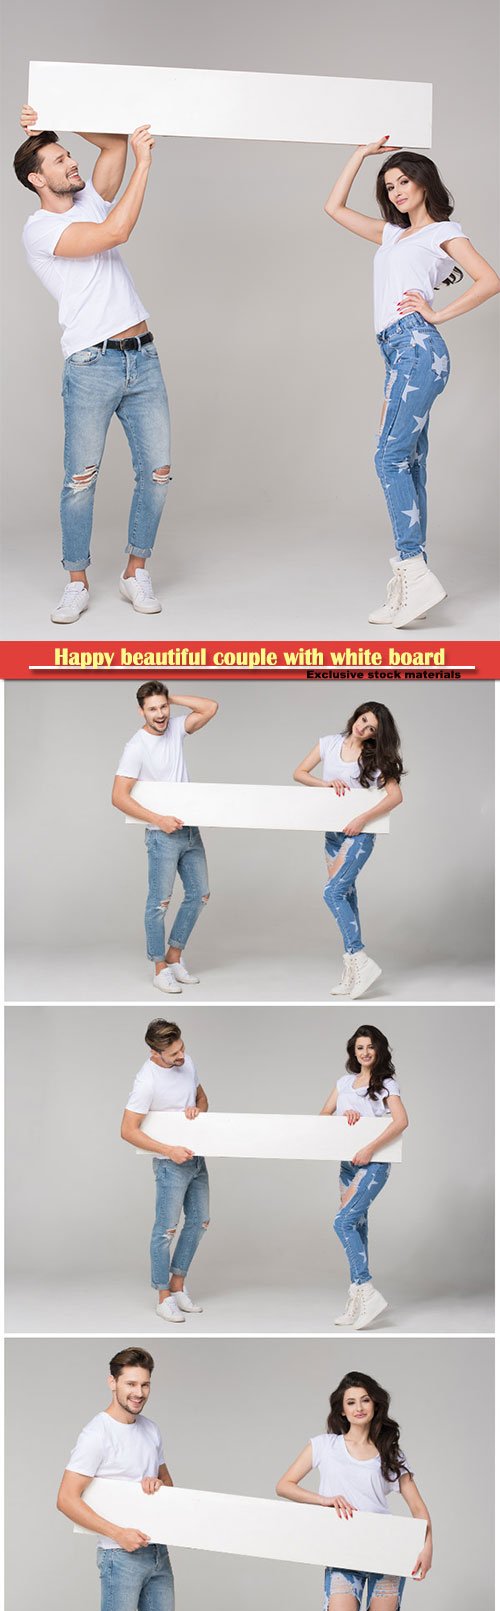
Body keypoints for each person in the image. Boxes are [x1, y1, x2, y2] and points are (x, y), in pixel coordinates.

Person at [324, 140, 500, 625]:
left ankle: (414, 571)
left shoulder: (442, 232)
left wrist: (438, 312)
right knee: (408, 459)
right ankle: (413, 577)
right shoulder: (392, 236)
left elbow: (489, 279)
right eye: (389, 186)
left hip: (417, 347)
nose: (397, 191)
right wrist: (360, 156)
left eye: (404, 181)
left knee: (389, 458)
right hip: (397, 353)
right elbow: (333, 207)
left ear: (424, 182)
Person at [15, 106, 171, 622]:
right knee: (80, 480)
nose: (71, 162)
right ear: (38, 179)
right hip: (91, 364)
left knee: (157, 473)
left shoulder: (90, 200)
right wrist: (146, 166)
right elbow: (114, 234)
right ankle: (76, 580)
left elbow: (113, 147)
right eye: (59, 160)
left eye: (68, 154)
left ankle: (135, 572)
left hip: (142, 357)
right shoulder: (39, 230)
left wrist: (56, 115)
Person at [276, 1367, 432, 1611]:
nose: (359, 1407)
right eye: (351, 1402)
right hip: (342, 1553)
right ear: (342, 1410)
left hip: (388, 1554)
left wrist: (427, 1546)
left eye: (365, 1400)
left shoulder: (390, 1453)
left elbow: (419, 1509)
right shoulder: (324, 1445)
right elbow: (284, 1486)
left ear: (375, 1405)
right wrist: (324, 1500)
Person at [56, 1345, 175, 1611]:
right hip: (119, 1555)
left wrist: (157, 1485)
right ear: (113, 1383)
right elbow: (65, 1498)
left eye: (145, 1384)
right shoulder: (97, 1433)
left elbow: (169, 1485)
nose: (139, 1392)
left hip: (157, 1550)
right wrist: (118, 1533)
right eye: (131, 1384)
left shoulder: (151, 1429)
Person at [112, 682, 218, 993]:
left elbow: (210, 707)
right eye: (152, 708)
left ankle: (174, 957)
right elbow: (118, 797)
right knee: (159, 903)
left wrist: (170, 698)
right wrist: (159, 820)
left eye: (163, 707)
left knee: (200, 894)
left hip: (189, 829)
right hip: (162, 835)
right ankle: (159, 967)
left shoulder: (174, 728)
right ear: (140, 711)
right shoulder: (136, 747)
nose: (159, 714)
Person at [293, 702, 403, 996]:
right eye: (363, 720)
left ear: (375, 735)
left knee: (333, 892)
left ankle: (360, 958)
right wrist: (325, 784)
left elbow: (395, 797)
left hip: (360, 834)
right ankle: (353, 971)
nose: (363, 728)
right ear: (357, 715)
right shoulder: (328, 743)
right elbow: (299, 773)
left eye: (371, 729)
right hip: (333, 834)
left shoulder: (376, 757)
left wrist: (362, 818)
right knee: (347, 895)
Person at [121, 1020, 209, 1324]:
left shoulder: (188, 1061)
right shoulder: (147, 1082)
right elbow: (127, 1130)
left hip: (197, 1156)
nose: (181, 1056)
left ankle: (178, 1286)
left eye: (182, 1047)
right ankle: (163, 1298)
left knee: (199, 1222)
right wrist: (169, 1151)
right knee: (165, 1230)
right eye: (173, 1053)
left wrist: (197, 1109)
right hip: (170, 1163)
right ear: (155, 1053)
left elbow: (202, 1098)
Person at [321, 1025, 408, 1328]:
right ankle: (357, 1298)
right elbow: (321, 1117)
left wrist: (370, 1148)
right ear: (353, 1051)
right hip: (348, 1165)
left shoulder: (386, 1084)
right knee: (357, 1226)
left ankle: (367, 1290)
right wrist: (343, 1117)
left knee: (342, 1222)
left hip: (374, 1163)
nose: (365, 1052)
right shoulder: (344, 1083)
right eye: (360, 1047)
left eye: (370, 1047)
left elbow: (401, 1122)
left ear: (379, 1049)